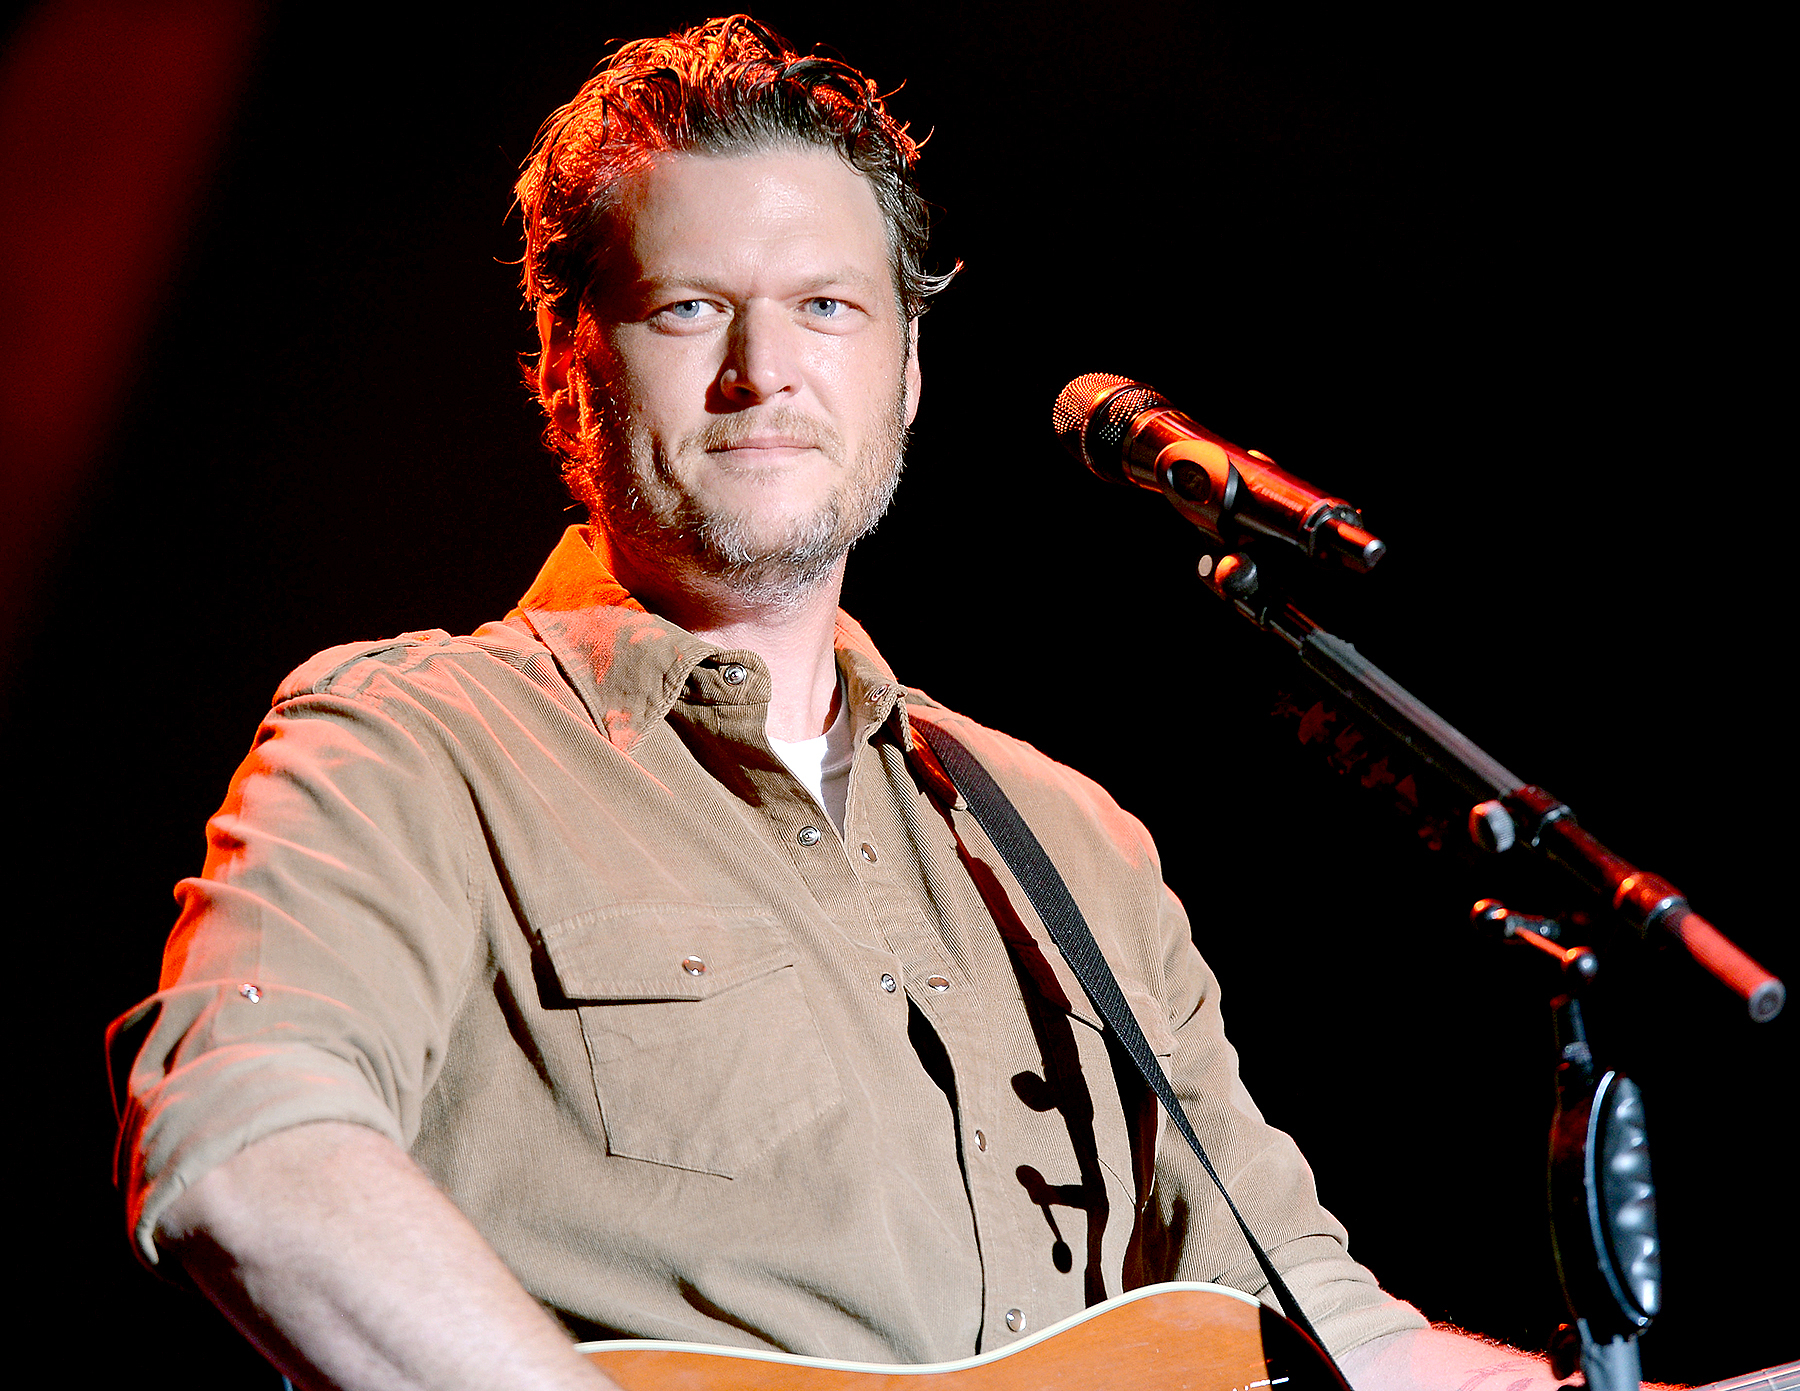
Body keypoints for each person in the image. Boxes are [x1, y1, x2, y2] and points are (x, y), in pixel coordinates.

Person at [108, 17, 1590, 1391]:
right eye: (692, 307)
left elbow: (1350, 1343)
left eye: (827, 306)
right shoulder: (414, 740)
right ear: (568, 371)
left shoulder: (1067, 840)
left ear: (907, 369)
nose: (766, 372)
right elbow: (247, 1143)